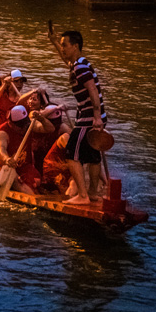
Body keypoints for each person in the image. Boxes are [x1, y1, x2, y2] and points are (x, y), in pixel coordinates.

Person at [48, 27, 107, 205]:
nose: (63, 48)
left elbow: (93, 90)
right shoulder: (78, 64)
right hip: (93, 116)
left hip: (88, 118)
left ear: (75, 46)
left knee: (71, 154)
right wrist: (53, 42)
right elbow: (67, 61)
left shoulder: (80, 67)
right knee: (93, 155)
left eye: (64, 45)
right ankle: (93, 194)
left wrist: (96, 117)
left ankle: (83, 196)